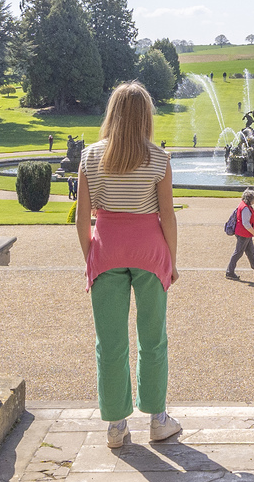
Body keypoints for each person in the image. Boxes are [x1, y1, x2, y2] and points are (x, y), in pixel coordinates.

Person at [75, 81, 179, 449]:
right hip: (149, 253)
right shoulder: (158, 158)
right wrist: (173, 260)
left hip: (106, 252)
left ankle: (116, 427)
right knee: (153, 339)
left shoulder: (90, 156)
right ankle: (158, 419)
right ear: (145, 117)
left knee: (111, 343)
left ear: (112, 115)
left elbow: (82, 219)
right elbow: (167, 215)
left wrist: (92, 255)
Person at [224, 188, 254, 280]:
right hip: (244, 234)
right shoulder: (246, 208)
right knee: (238, 252)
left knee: (250, 252)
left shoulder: (243, 205)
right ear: (250, 199)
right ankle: (229, 272)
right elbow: (246, 223)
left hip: (244, 233)